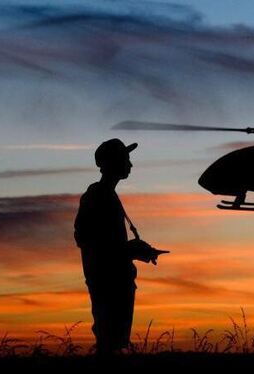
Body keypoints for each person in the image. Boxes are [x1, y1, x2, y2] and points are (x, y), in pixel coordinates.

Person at [74, 138, 167, 357]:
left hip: (116, 280)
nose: (130, 164)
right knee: (110, 342)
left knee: (115, 340)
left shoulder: (106, 195)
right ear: (113, 162)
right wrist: (129, 250)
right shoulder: (97, 195)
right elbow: (88, 239)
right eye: (126, 159)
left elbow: (104, 243)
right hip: (109, 281)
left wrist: (135, 250)